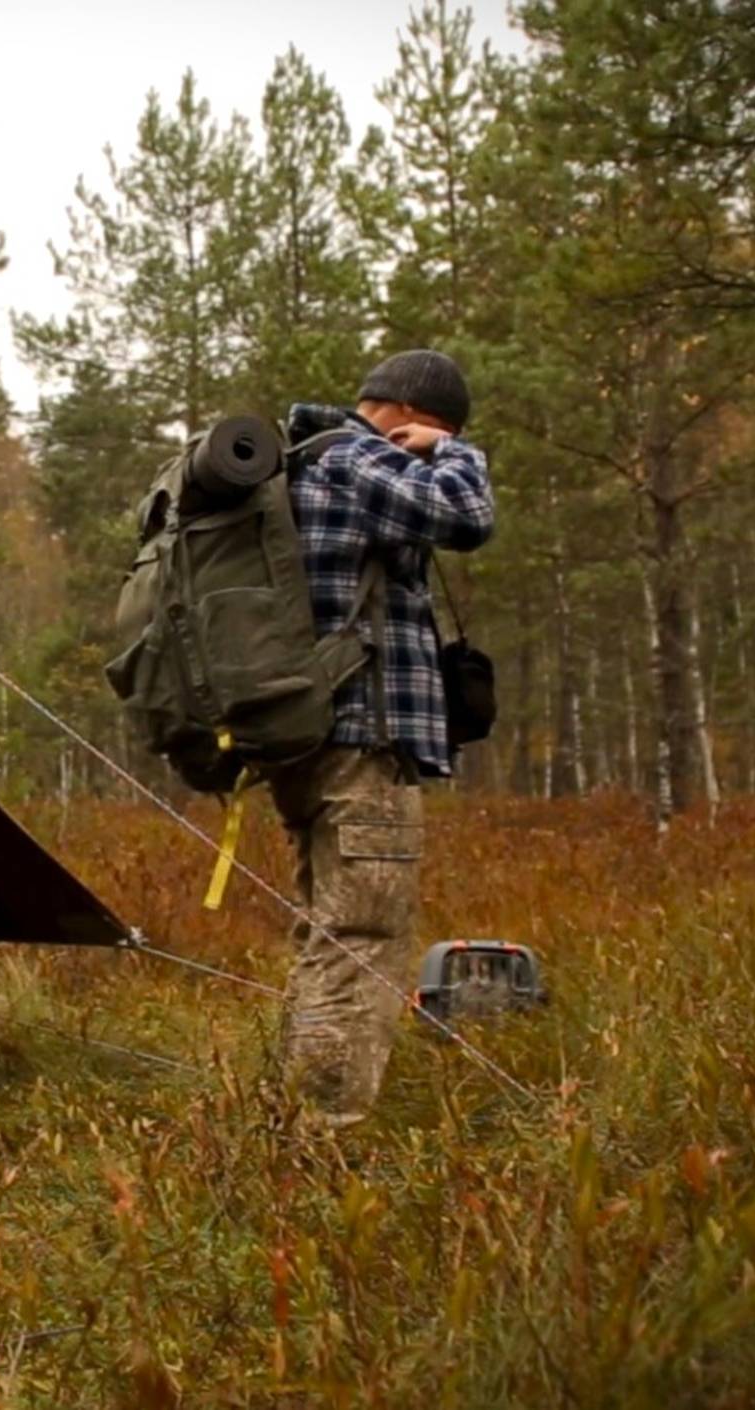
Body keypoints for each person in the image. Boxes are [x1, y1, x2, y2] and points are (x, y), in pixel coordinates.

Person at [274, 349, 494, 1124]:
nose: (432, 448)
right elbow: (467, 516)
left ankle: (290, 1123)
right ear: (406, 415)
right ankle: (322, 1141)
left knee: (328, 936)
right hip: (361, 741)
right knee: (361, 940)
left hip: (309, 741)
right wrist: (453, 452)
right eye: (434, 430)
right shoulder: (355, 457)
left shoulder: (301, 463)